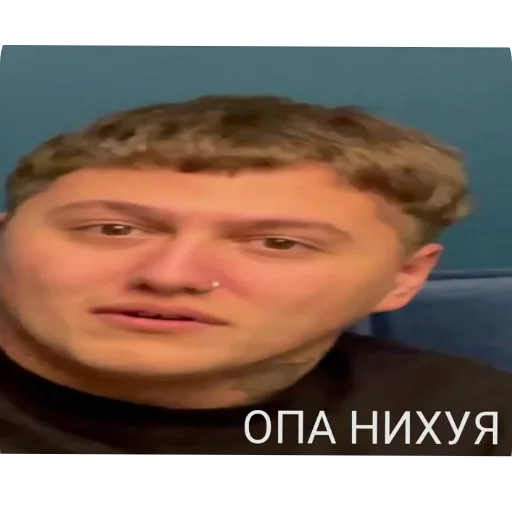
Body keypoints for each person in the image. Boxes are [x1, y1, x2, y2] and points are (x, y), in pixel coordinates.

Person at [0, 95, 509, 458]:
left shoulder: (468, 420)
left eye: (278, 243)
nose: (171, 276)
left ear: (403, 278)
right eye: (113, 229)